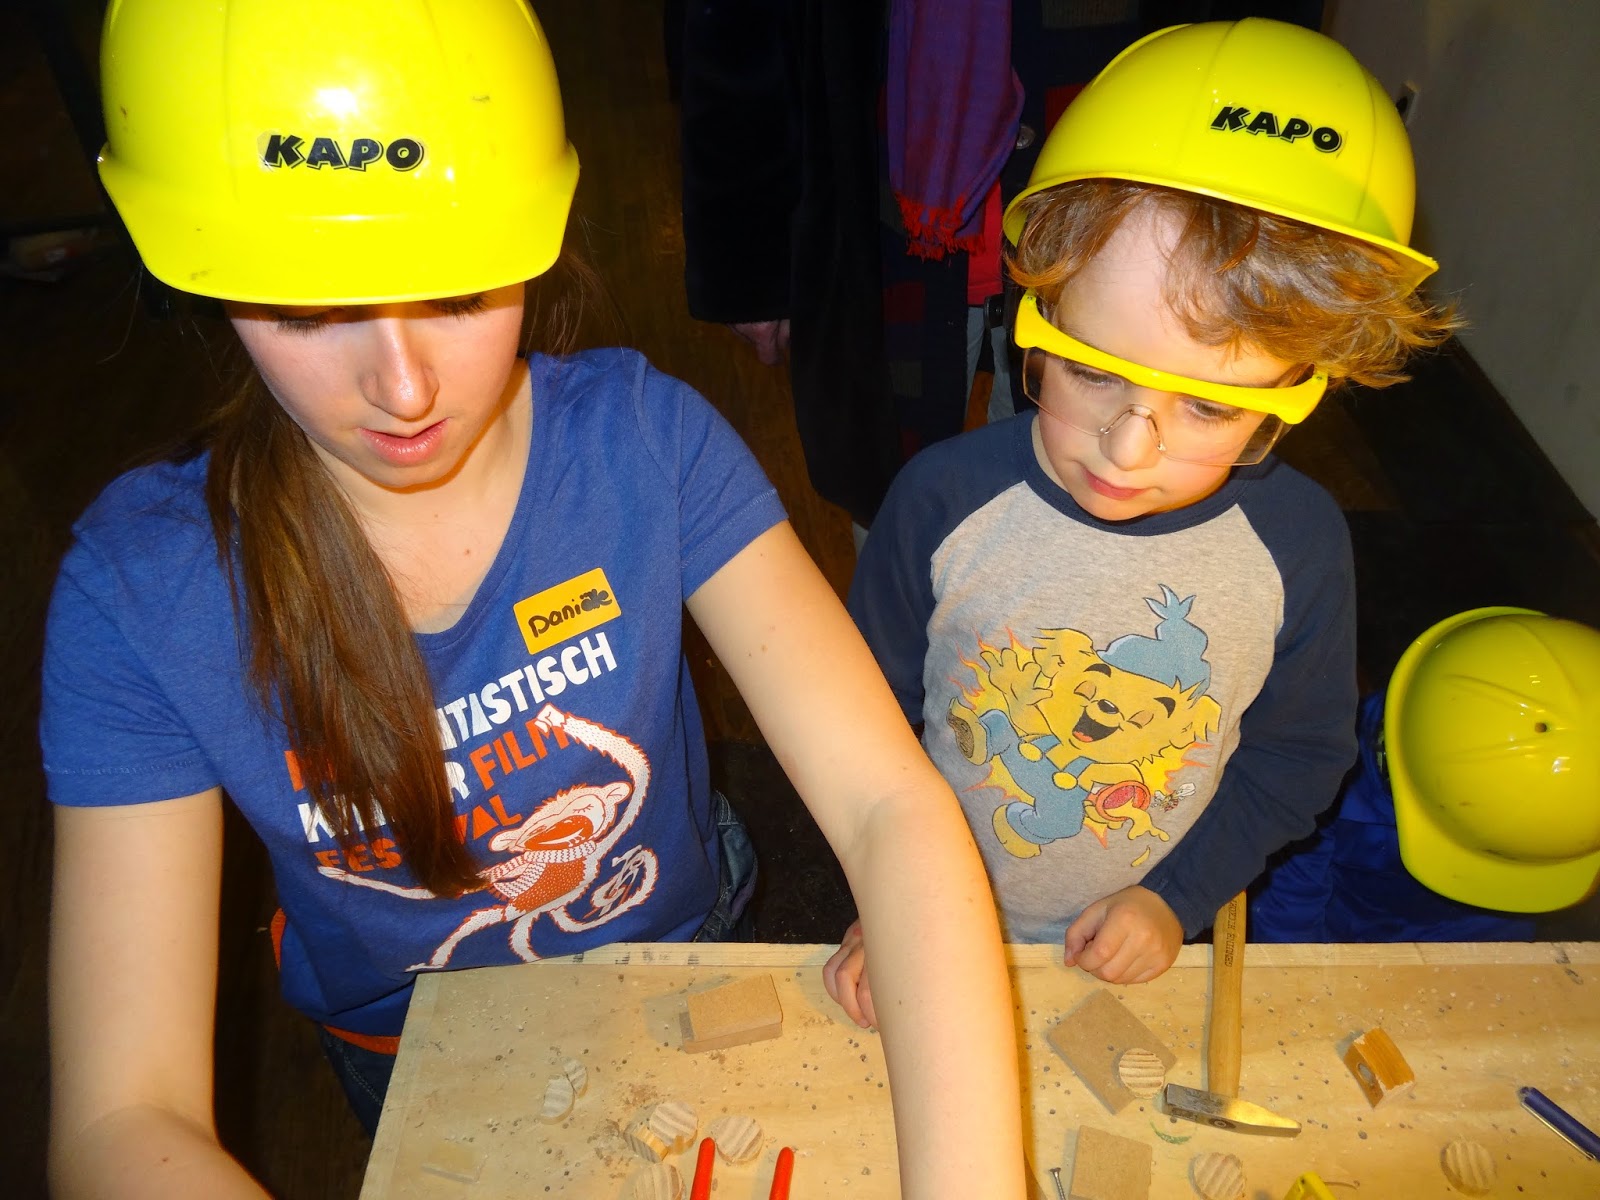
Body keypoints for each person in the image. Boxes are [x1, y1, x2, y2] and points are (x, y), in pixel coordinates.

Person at [41, 2, 1026, 1196]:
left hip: (676, 946)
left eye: (460, 290)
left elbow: (887, 805)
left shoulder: (646, 442)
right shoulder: (139, 595)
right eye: (307, 308)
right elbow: (122, 1114)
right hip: (408, 1043)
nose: (403, 388)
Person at [824, 18, 1461, 1024]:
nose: (1126, 452)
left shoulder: (1298, 549)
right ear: (1037, 306)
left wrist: (1176, 897)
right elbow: (856, 733)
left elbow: (1297, 758)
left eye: (1208, 407)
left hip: (1147, 938)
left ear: (1302, 388)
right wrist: (887, 893)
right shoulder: (941, 502)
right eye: (1091, 372)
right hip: (922, 906)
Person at [1253, 607, 1600, 941]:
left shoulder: (1548, 828)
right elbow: (1289, 912)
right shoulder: (1316, 785)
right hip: (1343, 921)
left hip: (1476, 920)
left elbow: (1499, 922)